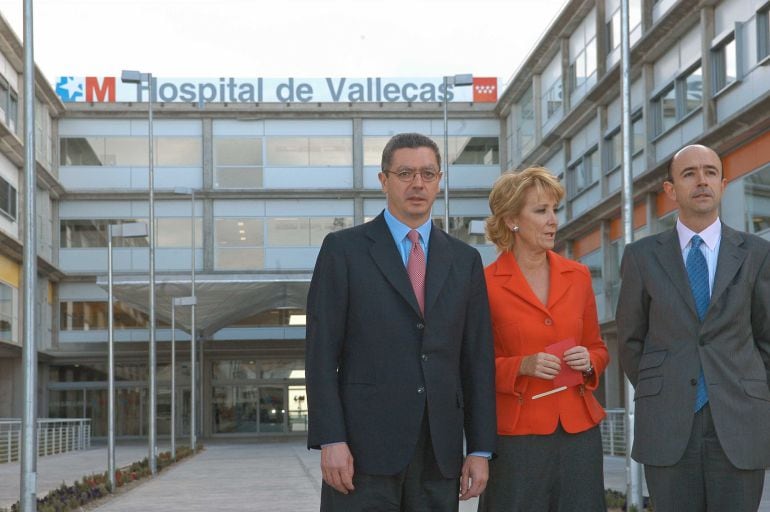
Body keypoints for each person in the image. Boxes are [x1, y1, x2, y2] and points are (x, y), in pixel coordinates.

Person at [305, 132, 497, 511]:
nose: (418, 184)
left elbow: (476, 359)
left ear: (440, 180)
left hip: (438, 451)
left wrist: (479, 447)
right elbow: (321, 353)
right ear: (384, 180)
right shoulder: (343, 250)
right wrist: (331, 439)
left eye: (427, 173)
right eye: (405, 173)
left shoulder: (465, 260)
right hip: (362, 452)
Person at [616, 144, 770, 512]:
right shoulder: (641, 256)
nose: (701, 180)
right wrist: (665, 386)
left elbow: (765, 336)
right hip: (668, 424)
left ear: (723, 183)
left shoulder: (757, 253)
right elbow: (631, 340)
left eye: (710, 172)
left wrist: (748, 388)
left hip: (738, 420)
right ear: (670, 190)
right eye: (689, 174)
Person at [478, 167, 609, 511]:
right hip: (517, 438)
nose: (553, 220)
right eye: (541, 211)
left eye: (554, 210)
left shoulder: (578, 276)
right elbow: (472, 366)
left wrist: (589, 361)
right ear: (511, 220)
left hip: (579, 433)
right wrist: (523, 365)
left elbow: (599, 347)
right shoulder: (484, 284)